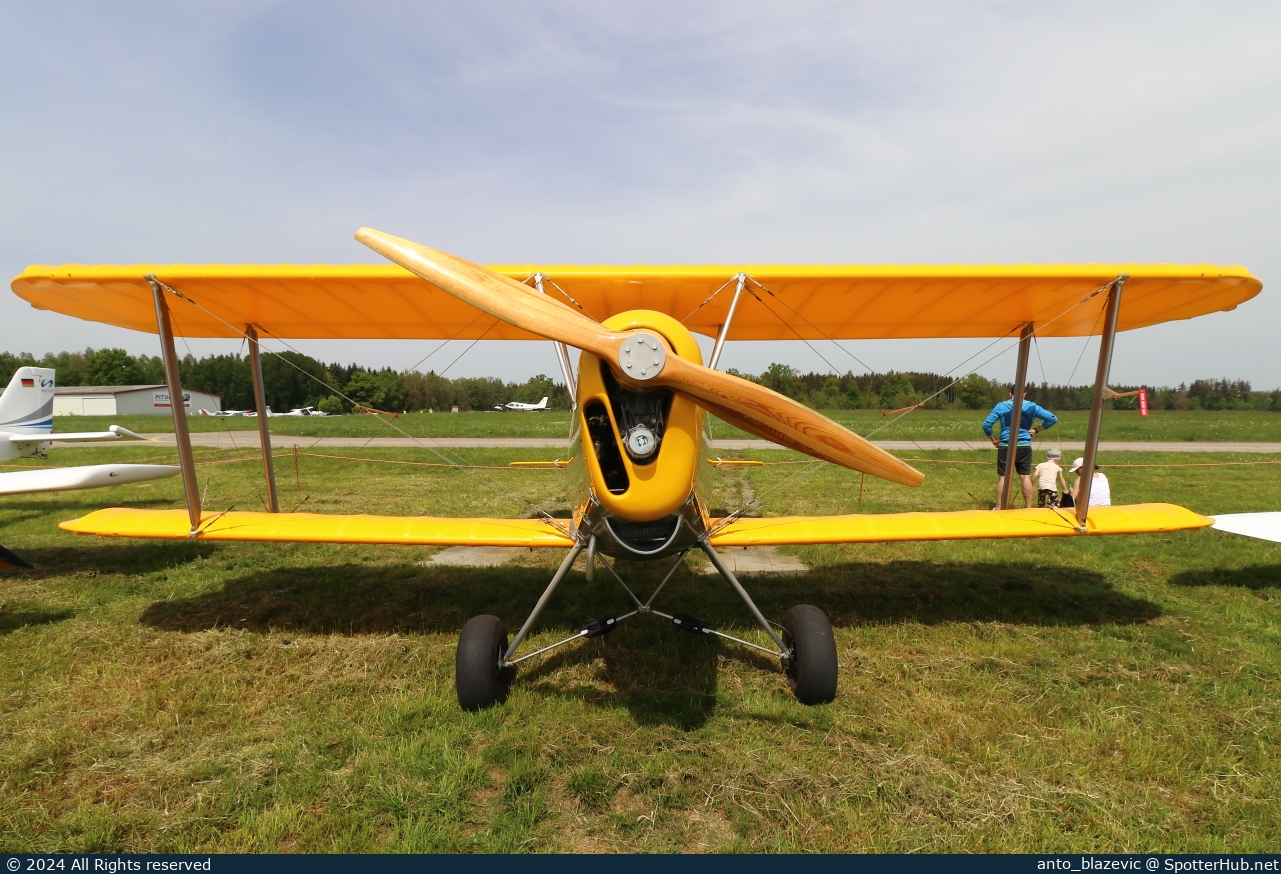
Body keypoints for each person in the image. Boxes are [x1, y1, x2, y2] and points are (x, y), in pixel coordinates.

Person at [983, 390, 1058, 508]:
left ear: (1010, 393)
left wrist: (993, 439)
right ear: (1024, 394)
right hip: (1024, 446)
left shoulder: (1001, 406)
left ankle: (999, 507)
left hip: (1006, 445)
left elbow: (986, 424)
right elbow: (1052, 419)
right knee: (1025, 476)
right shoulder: (1032, 406)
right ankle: (1028, 508)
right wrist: (1037, 429)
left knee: (1003, 476)